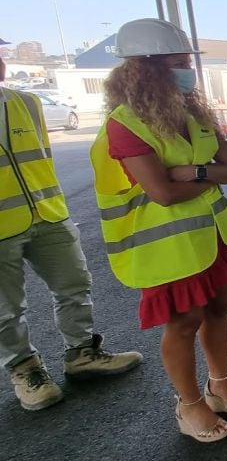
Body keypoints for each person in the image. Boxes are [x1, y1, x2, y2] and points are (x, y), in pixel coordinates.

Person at [90, 19, 227, 443]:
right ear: (145, 70)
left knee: (218, 310)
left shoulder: (196, 113)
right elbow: (161, 192)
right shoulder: (125, 125)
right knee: (184, 323)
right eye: (178, 64)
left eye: (187, 63)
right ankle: (189, 404)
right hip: (169, 248)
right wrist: (209, 176)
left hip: (213, 236)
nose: (188, 72)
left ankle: (220, 384)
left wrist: (195, 172)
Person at [1, 51, 142, 413]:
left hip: (47, 213)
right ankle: (25, 369)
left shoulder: (27, 102)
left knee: (74, 286)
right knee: (6, 309)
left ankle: (81, 353)